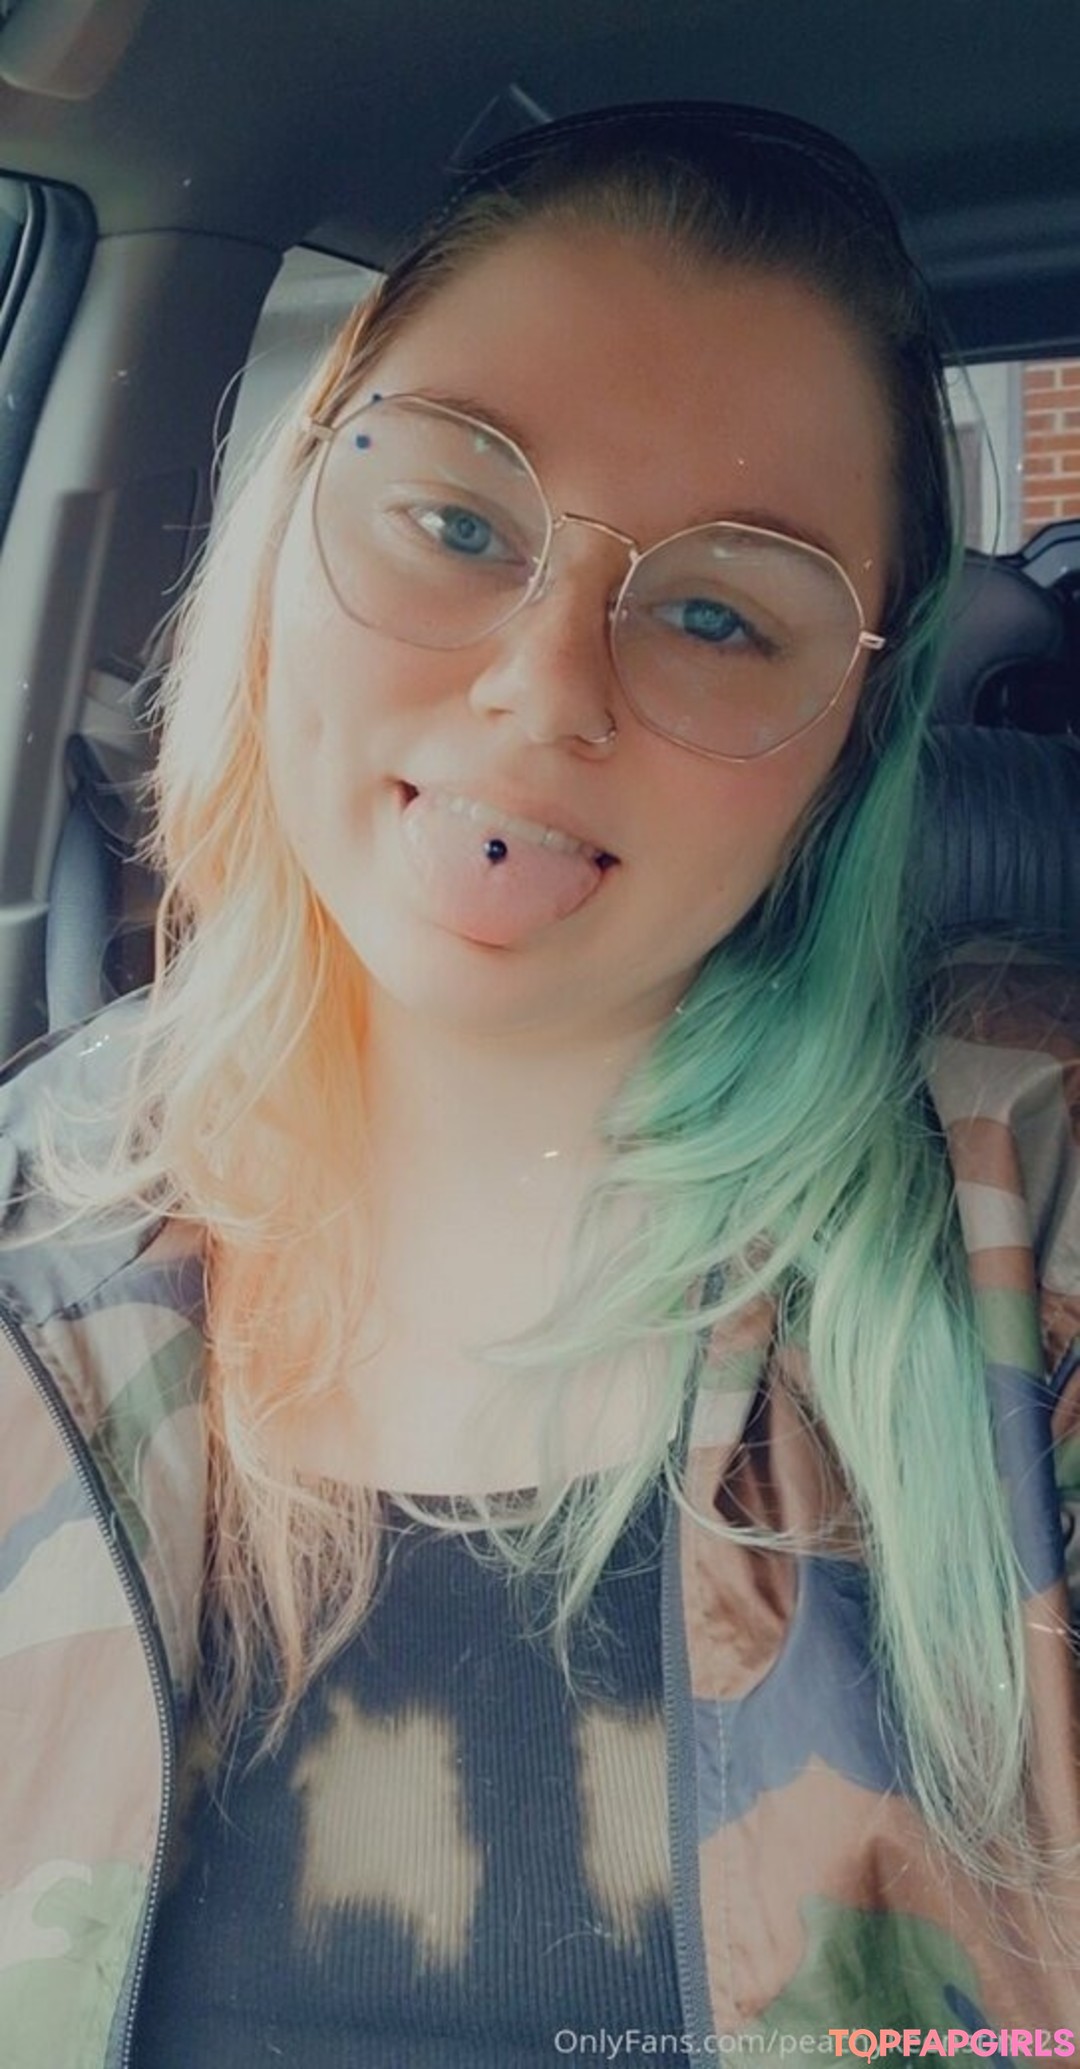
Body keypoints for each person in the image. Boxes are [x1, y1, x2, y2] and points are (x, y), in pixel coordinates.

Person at [0, 101, 1077, 2068]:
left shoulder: (1036, 1230)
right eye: (459, 521)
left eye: (718, 611)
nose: (545, 687)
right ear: (295, 510)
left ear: (852, 733)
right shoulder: (26, 1246)